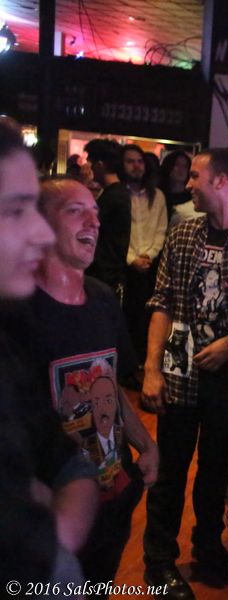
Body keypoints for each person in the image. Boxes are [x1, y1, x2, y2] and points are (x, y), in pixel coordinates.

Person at [141, 149, 228, 600]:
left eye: (196, 176)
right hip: (179, 372)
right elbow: (161, 302)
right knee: (170, 470)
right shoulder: (183, 234)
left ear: (221, 181)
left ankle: (206, 547)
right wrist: (151, 368)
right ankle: (158, 562)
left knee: (215, 470)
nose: (188, 184)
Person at [29, 177, 159, 598]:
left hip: (111, 498)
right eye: (76, 211)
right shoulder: (16, 310)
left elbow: (109, 382)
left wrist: (144, 443)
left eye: (96, 213)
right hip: (49, 515)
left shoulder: (103, 299)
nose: (94, 222)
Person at [0, 116, 98, 596]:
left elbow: (62, 457)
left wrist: (47, 548)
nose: (40, 233)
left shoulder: (10, 336)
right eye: (16, 210)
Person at [121, 145, 168, 365]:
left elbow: (161, 230)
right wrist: (132, 259)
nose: (136, 166)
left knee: (146, 316)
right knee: (125, 316)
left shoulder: (157, 196)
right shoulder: (118, 195)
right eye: (130, 161)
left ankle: (142, 361)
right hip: (125, 266)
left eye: (139, 161)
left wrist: (149, 256)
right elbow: (115, 234)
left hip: (150, 266)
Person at [84, 138, 131, 303]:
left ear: (100, 165)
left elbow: (88, 222)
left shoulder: (114, 196)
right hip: (107, 274)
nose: (88, 167)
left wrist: (84, 184)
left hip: (105, 275)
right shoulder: (115, 192)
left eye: (90, 163)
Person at [159, 150, 195, 223]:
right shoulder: (159, 195)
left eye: (185, 166)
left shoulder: (192, 197)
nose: (181, 169)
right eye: (177, 165)